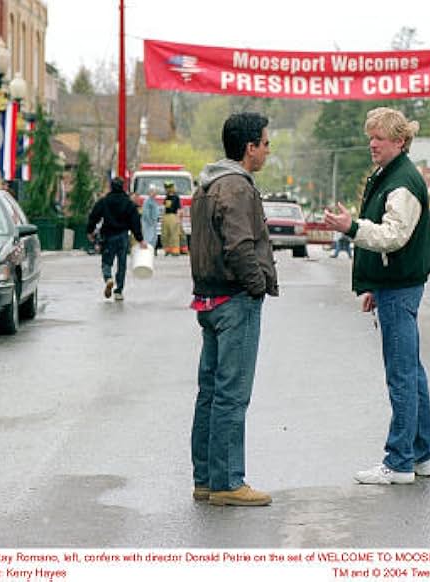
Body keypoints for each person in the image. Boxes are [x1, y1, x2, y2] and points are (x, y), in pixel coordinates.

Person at [324, 107, 430, 485]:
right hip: (396, 284)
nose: (372, 143)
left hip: (400, 287)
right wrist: (374, 282)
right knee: (412, 373)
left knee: (401, 375)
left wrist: (351, 227)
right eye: (370, 136)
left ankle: (399, 462)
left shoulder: (401, 181)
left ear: (400, 141)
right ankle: (422, 455)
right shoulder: (393, 174)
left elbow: (393, 236)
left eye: (380, 138)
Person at [189, 112, 278, 506]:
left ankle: (206, 479)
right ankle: (228, 483)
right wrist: (256, 286)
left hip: (208, 298)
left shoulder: (207, 184)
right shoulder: (238, 188)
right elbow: (240, 246)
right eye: (265, 142)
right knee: (231, 395)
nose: (267, 149)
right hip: (235, 300)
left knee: (209, 393)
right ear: (249, 148)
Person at [86, 177, 147, 301]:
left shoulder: (104, 201)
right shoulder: (128, 203)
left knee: (106, 261)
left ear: (111, 187)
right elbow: (135, 221)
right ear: (123, 187)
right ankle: (119, 291)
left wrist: (90, 231)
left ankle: (108, 278)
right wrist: (140, 239)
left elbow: (94, 216)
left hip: (108, 235)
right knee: (122, 263)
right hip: (123, 236)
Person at [161, 180, 182, 255]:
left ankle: (175, 250)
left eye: (168, 187)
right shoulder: (167, 197)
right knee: (165, 234)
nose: (167, 189)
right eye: (166, 187)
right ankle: (167, 250)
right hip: (166, 216)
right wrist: (162, 217)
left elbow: (179, 208)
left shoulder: (176, 197)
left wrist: (178, 219)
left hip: (173, 216)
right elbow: (164, 208)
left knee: (174, 234)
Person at [141, 184, 161, 253]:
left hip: (153, 223)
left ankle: (152, 250)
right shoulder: (147, 201)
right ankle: (147, 251)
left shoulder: (153, 201)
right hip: (148, 224)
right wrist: (150, 221)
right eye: (152, 191)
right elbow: (145, 213)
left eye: (155, 192)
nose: (154, 193)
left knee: (153, 237)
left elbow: (156, 211)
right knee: (148, 237)